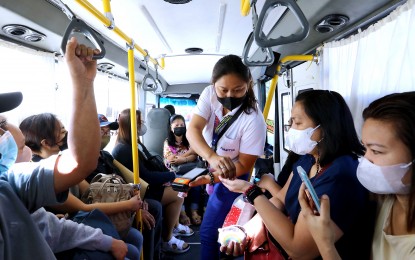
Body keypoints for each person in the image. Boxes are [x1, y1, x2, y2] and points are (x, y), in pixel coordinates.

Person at [0, 37, 123, 259]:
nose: (6, 132)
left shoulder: (9, 183)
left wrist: (83, 82)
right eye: (1, 125)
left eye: (2, 123)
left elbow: (81, 162)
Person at [219, 90, 372, 259]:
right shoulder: (309, 159)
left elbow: (298, 249)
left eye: (298, 123)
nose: (291, 129)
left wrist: (251, 191)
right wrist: (245, 232)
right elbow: (280, 200)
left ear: (325, 127)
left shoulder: (340, 179)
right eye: (291, 122)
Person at [298, 91, 415, 260]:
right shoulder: (387, 199)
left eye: (376, 151)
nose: (366, 159)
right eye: (365, 148)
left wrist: (324, 242)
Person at [19, 112, 145, 259]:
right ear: (46, 143)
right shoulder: (39, 177)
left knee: (136, 237)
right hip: (70, 230)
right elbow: (82, 207)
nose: (67, 135)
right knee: (131, 250)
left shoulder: (60, 162)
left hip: (83, 220)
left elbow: (90, 191)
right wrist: (128, 205)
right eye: (62, 132)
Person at [186, 54, 267, 259]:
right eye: (223, 90)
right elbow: (193, 129)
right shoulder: (209, 94)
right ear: (214, 85)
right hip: (213, 164)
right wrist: (212, 158)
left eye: (238, 89)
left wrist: (212, 176)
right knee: (222, 228)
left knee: (207, 233)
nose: (230, 95)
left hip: (234, 175)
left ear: (248, 85)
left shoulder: (254, 119)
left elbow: (245, 164)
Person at [112, 108, 193, 254]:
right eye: (139, 122)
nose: (142, 124)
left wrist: (167, 174)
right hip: (143, 190)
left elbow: (151, 162)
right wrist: (171, 176)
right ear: (132, 125)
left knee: (183, 185)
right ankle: (167, 239)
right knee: (179, 192)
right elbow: (146, 176)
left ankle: (173, 226)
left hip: (150, 185)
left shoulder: (136, 143)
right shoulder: (124, 149)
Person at [163, 113, 202, 226]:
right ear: (171, 127)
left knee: (197, 181)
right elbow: (171, 159)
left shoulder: (189, 139)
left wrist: (181, 159)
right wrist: (186, 157)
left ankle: (194, 211)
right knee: (180, 183)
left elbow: (194, 155)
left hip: (191, 169)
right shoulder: (168, 142)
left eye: (182, 124)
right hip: (176, 171)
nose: (179, 127)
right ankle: (183, 212)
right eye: (176, 125)